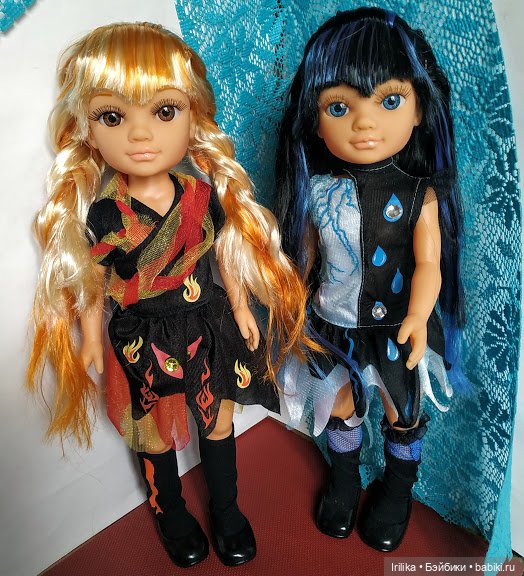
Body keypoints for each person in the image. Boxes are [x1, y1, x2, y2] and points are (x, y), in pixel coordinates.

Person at [27, 22, 314, 568]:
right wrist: (89, 336)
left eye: (163, 111)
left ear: (192, 116)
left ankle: (227, 509)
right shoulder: (105, 215)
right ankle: (171, 512)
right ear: (86, 127)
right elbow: (91, 282)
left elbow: (224, 254)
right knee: (153, 433)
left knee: (218, 421)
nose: (140, 135)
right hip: (143, 336)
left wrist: (238, 305)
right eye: (113, 117)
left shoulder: (203, 196)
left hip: (206, 325)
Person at [276, 7, 467, 552]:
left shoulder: (418, 195)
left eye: (389, 101)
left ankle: (398, 489)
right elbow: (306, 259)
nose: (364, 124)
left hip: (397, 326)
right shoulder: (318, 192)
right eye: (339, 107)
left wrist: (419, 315)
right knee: (341, 404)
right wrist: (292, 306)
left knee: (402, 410)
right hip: (333, 322)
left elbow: (429, 264)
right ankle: (345, 479)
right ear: (315, 119)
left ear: (419, 108)